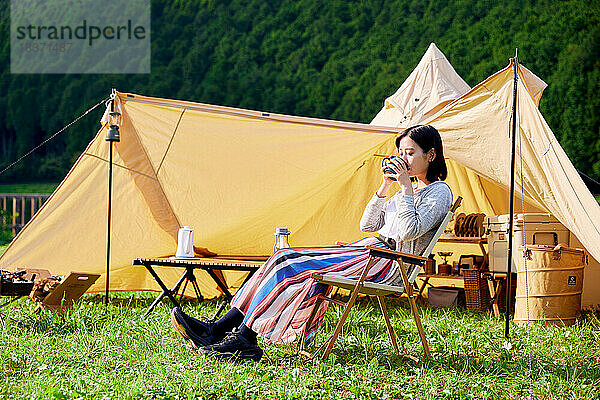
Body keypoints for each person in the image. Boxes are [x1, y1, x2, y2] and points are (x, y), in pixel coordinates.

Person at [170, 124, 453, 361]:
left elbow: (408, 231)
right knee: (282, 256)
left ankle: (241, 337)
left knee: (289, 259)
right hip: (367, 252)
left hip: (389, 265)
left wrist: (404, 188)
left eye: (410, 153)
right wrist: (386, 186)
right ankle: (222, 328)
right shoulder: (408, 189)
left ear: (431, 155)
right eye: (400, 152)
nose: (403, 159)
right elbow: (368, 225)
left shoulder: (439, 193)